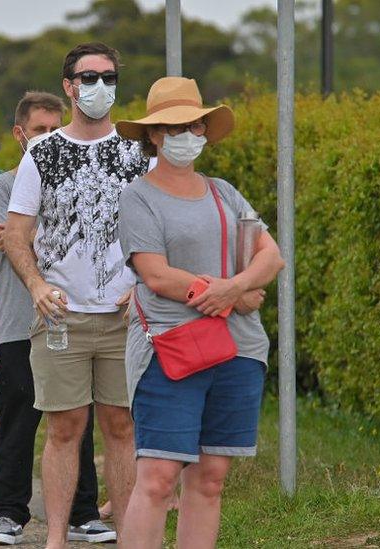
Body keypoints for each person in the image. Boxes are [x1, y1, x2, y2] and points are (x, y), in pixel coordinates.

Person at [115, 77, 284, 548]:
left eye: (193, 124)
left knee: (210, 478)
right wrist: (231, 293)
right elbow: (156, 275)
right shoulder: (138, 197)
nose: (185, 134)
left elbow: (271, 256)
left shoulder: (224, 192)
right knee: (157, 477)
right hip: (171, 349)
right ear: (152, 135)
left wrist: (235, 287)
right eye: (172, 127)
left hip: (239, 349)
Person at [4, 43, 149, 548]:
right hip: (61, 315)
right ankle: (57, 538)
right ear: (69, 86)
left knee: (122, 426)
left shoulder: (138, 149)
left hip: (126, 315)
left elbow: (161, 225)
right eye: (89, 78)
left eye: (109, 77)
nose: (100, 87)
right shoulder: (41, 153)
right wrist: (37, 284)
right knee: (64, 427)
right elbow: (17, 232)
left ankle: (132, 533)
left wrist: (146, 284)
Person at [0, 91, 114, 546]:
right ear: (20, 134)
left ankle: (84, 512)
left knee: (79, 423)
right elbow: (14, 240)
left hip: (73, 321)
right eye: (40, 131)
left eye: (56, 129)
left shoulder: (85, 176)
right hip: (20, 323)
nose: (49, 139)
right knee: (17, 422)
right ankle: (8, 515)